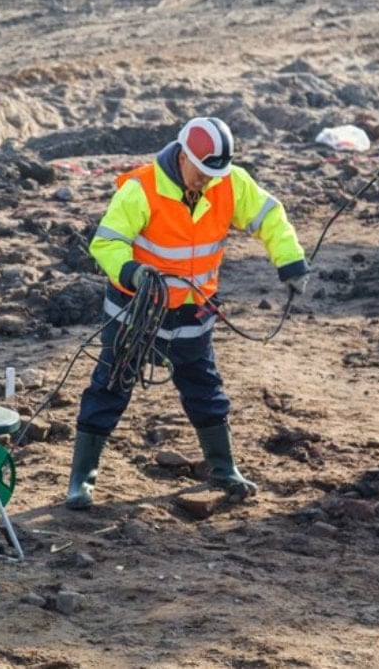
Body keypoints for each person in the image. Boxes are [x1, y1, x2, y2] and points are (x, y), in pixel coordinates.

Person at [65, 116, 309, 510]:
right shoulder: (141, 189)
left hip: (194, 311)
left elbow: (270, 217)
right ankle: (81, 481)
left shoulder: (230, 182)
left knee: (203, 386)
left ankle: (223, 467)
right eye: (202, 171)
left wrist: (291, 261)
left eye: (216, 173)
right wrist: (132, 271)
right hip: (135, 311)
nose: (208, 181)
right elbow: (106, 243)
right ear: (183, 155)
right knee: (111, 384)